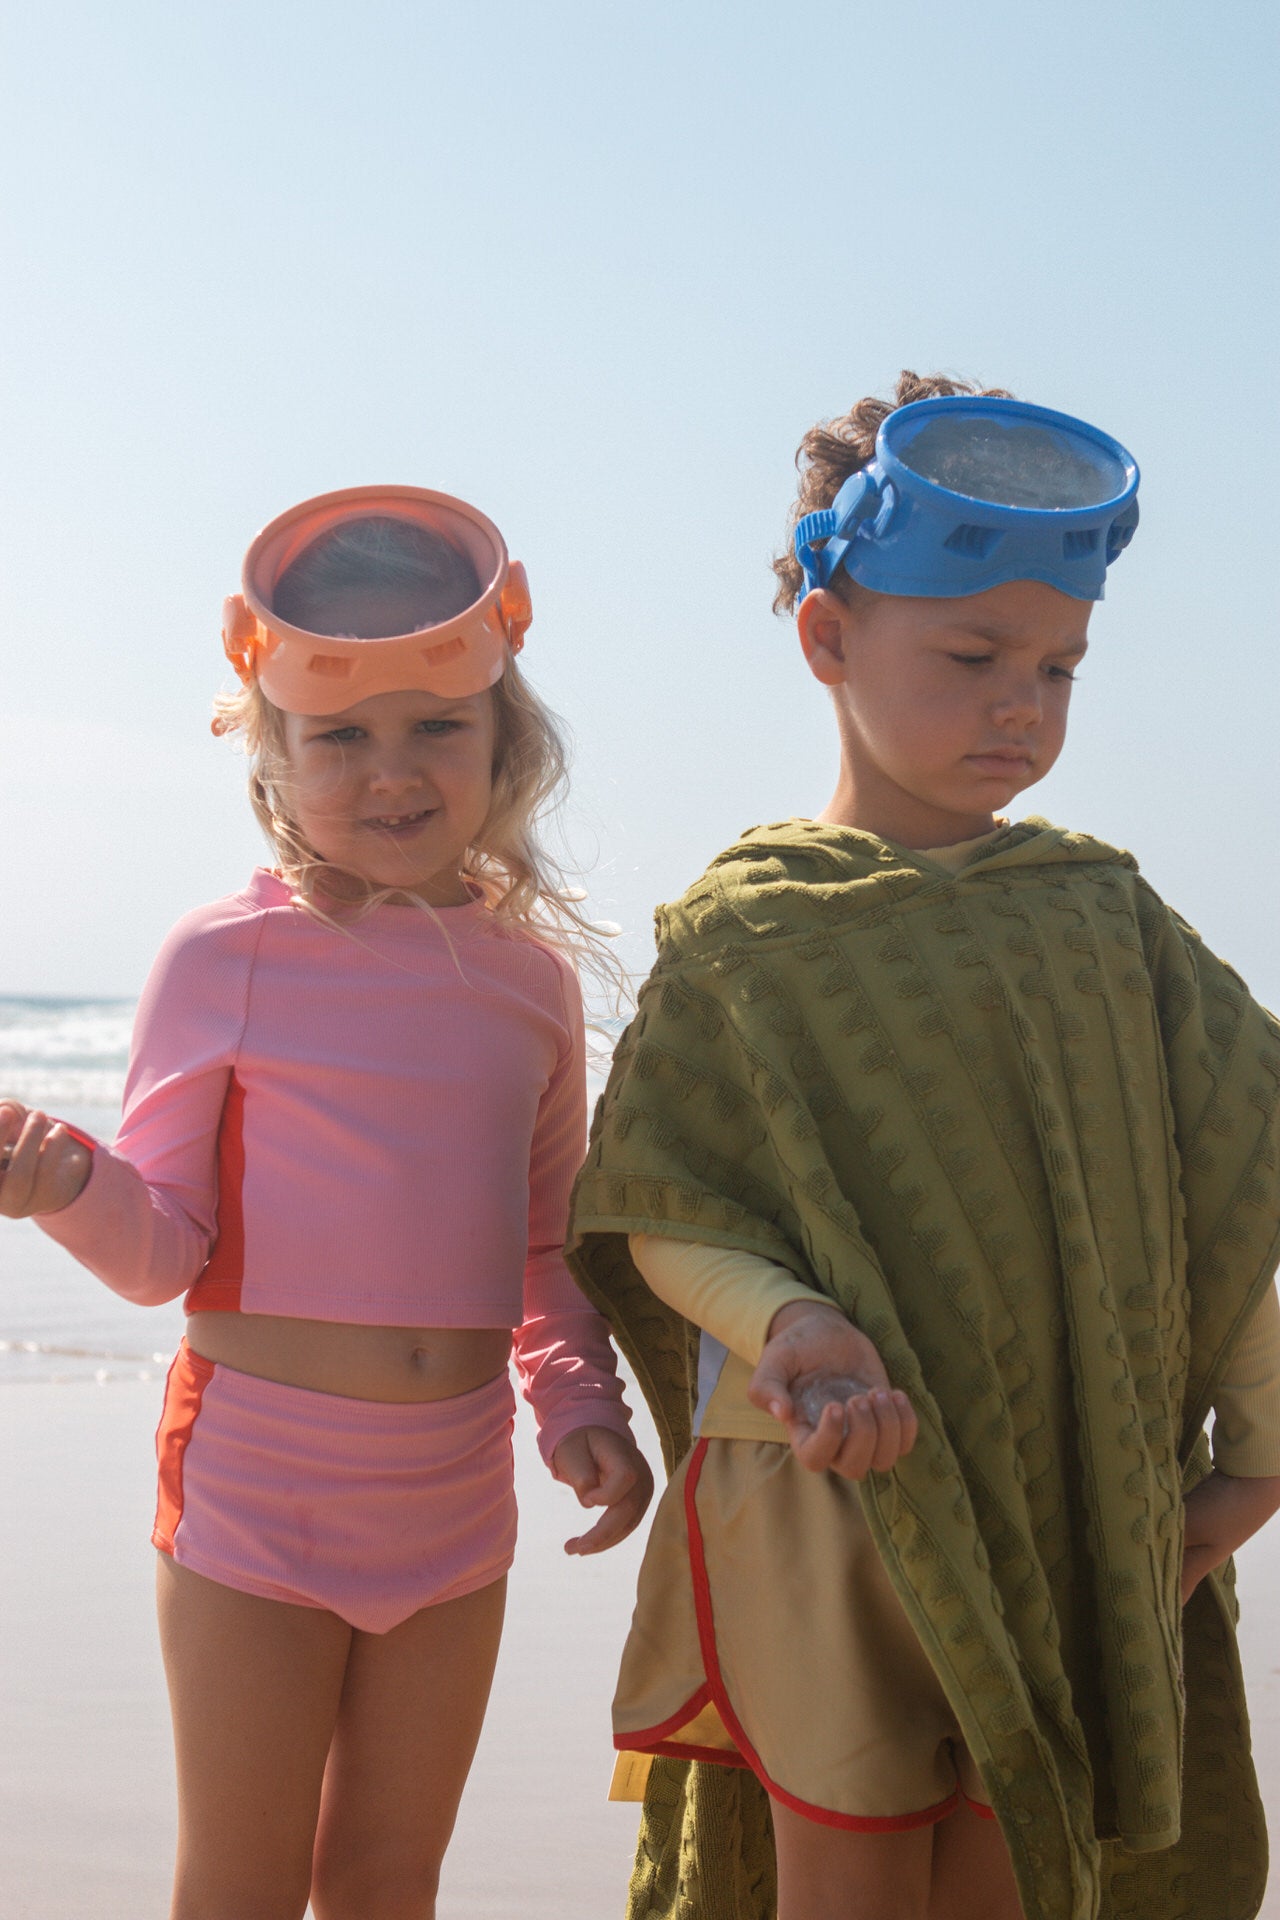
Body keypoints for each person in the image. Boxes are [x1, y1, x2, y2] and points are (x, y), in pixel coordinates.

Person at [566, 374, 1280, 1920]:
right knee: (847, 1877)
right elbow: (659, 1207)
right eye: (972, 657)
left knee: (1019, 1867)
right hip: (827, 1508)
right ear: (828, 638)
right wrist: (793, 1324)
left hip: (1064, 1495)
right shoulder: (748, 935)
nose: (1022, 704)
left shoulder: (1105, 922)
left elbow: (1223, 1194)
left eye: (1059, 667)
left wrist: (1251, 1463)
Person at [0, 484, 653, 1920]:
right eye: (340, 736)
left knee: (386, 1880)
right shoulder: (221, 956)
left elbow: (545, 1248)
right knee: (238, 1884)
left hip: (456, 1496)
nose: (391, 770)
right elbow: (164, 1251)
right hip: (257, 1490)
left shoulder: (532, 984)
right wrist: (64, 1185)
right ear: (273, 751)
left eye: (437, 727)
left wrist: (578, 1403)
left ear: (507, 741)